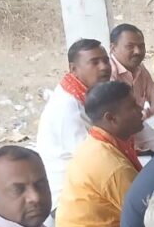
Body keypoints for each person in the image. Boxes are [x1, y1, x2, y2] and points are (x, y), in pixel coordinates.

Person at [56, 82, 145, 227]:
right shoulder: (111, 165)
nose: (141, 108)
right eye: (132, 106)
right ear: (111, 118)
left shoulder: (96, 144)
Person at [36, 38, 112, 212]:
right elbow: (93, 161)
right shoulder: (68, 107)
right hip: (70, 202)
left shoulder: (86, 93)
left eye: (106, 60)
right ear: (73, 69)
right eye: (94, 62)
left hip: (89, 183)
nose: (104, 67)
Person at [109, 23, 154, 152]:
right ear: (113, 48)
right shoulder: (109, 74)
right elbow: (125, 122)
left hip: (138, 126)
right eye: (130, 47)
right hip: (121, 139)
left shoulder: (139, 69)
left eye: (141, 46)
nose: (138, 51)